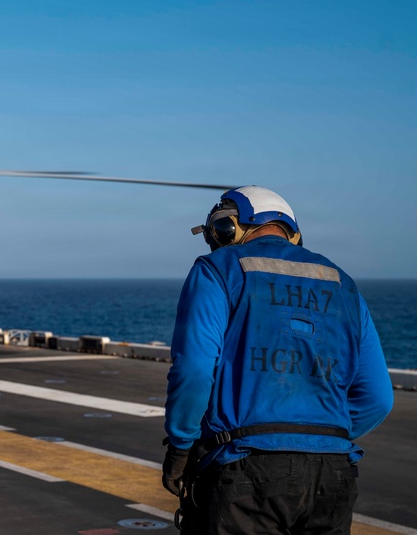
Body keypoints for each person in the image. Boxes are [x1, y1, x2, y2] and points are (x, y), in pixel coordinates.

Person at [162, 185, 394, 535]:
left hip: (244, 472)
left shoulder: (217, 269)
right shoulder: (342, 282)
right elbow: (378, 398)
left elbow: (194, 370)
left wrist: (181, 448)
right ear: (293, 233)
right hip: (333, 476)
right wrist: (315, 436)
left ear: (229, 227)